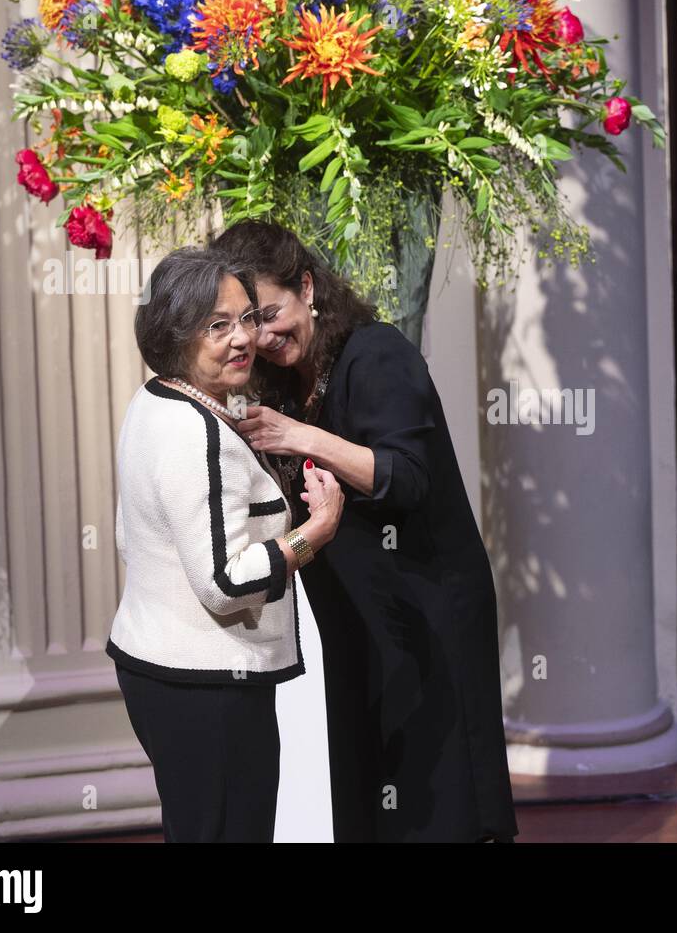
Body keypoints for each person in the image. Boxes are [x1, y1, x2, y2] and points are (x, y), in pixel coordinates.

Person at [211, 220, 518, 842]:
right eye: (249, 325)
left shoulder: (376, 353)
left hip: (426, 615)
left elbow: (406, 478)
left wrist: (297, 437)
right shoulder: (288, 383)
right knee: (375, 798)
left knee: (438, 803)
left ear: (307, 285)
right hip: (361, 622)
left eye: (271, 314)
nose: (265, 337)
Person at [107, 247, 344, 842]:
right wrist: (312, 534)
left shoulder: (154, 401)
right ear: (175, 335)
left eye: (245, 318)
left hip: (165, 674)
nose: (242, 339)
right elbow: (226, 582)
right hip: (207, 688)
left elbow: (128, 537)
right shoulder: (197, 435)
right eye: (218, 325)